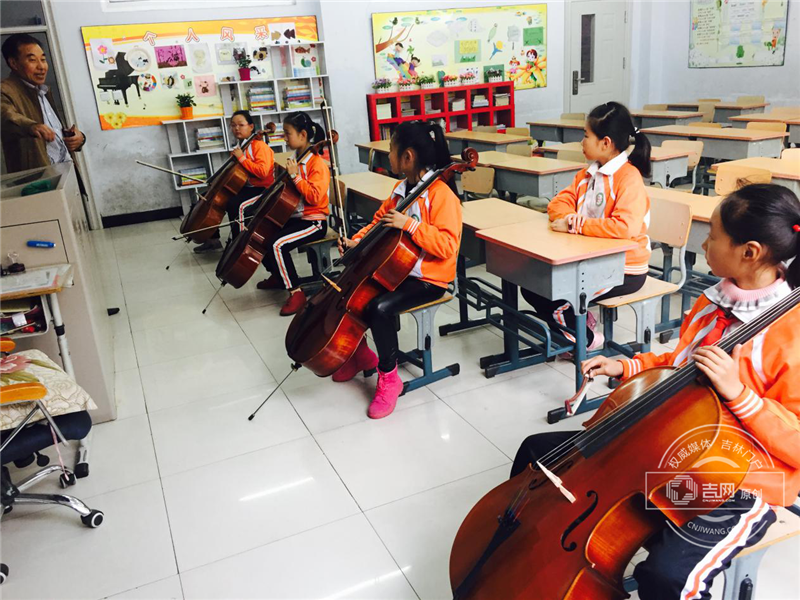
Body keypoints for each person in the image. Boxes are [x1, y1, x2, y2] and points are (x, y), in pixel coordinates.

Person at [512, 184, 800, 600]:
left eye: (712, 236)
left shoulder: (791, 333)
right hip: (667, 443)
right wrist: (627, 366)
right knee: (537, 454)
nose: (704, 245)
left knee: (665, 576)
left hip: (736, 477)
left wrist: (739, 394)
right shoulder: (713, 300)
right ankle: (530, 565)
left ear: (749, 252)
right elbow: (679, 362)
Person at [333, 121, 462, 419]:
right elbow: (379, 222)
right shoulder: (401, 189)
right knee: (352, 293)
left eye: (391, 149)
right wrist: (356, 241)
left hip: (429, 279)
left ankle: (389, 379)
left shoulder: (441, 195)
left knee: (378, 308)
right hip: (397, 270)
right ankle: (360, 355)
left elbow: (447, 246)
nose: (387, 155)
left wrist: (412, 226)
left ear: (408, 156)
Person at [521, 101, 652, 351]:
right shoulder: (587, 174)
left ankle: (587, 341)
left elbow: (625, 228)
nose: (581, 142)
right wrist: (570, 217)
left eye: (585, 136)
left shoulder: (629, 178)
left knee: (555, 298)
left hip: (624, 268)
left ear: (605, 143)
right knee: (531, 286)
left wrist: (579, 227)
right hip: (589, 260)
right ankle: (578, 328)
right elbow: (558, 203)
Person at [255, 111, 330, 316]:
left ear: (303, 135)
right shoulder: (295, 158)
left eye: (287, 133)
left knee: (277, 245)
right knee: (262, 235)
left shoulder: (317, 164)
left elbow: (314, 197)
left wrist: (295, 177)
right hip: (297, 217)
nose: (284, 138)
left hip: (313, 222)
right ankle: (278, 276)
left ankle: (296, 293)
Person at [1, 33, 86, 174]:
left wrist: (78, 139)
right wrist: (31, 127)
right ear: (14, 63)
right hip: (40, 180)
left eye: (43, 59)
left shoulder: (42, 91)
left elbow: (55, 135)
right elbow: (6, 117)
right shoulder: (5, 90)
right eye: (32, 60)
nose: (41, 67)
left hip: (67, 174)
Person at [194, 110, 275, 253]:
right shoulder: (242, 145)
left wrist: (241, 158)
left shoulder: (259, 146)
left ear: (251, 126)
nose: (236, 128)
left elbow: (262, 172)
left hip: (261, 188)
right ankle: (212, 241)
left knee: (235, 205)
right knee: (208, 197)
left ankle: (239, 245)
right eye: (233, 125)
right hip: (245, 186)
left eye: (241, 125)